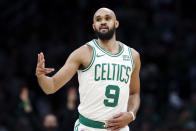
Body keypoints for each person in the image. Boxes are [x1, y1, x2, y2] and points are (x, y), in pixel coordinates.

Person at [36, 7, 141, 131]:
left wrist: (131, 114)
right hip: (89, 127)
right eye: (98, 19)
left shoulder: (133, 56)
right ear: (94, 26)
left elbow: (134, 93)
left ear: (116, 23)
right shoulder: (83, 53)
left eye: (107, 18)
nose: (103, 22)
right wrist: (41, 76)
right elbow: (51, 86)